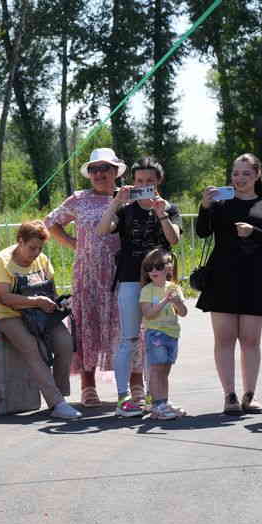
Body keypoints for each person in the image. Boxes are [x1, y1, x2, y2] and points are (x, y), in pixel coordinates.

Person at [196, 153, 262, 414]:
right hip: (221, 276)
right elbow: (202, 232)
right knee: (224, 339)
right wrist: (204, 206)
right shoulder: (221, 203)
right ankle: (230, 396)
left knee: (250, 340)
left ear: (257, 175)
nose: (239, 178)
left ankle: (250, 395)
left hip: (254, 277)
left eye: (246, 173)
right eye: (235, 173)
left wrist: (253, 232)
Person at [98, 157, 181, 417]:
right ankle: (123, 398)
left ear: (159, 182)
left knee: (158, 338)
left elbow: (174, 239)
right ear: (133, 182)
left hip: (159, 282)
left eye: (150, 181)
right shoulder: (126, 208)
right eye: (139, 181)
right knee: (129, 339)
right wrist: (115, 202)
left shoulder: (168, 207)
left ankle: (156, 398)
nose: (144, 185)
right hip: (131, 279)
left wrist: (161, 214)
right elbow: (102, 229)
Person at [46, 148, 127, 407]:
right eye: (94, 169)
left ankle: (130, 386)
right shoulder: (79, 199)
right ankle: (88, 386)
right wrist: (73, 243)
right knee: (87, 328)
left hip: (121, 273)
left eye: (105, 168)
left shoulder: (127, 197)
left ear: (116, 172)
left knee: (123, 327)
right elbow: (50, 222)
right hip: (88, 275)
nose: (100, 174)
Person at [0, 220, 81, 420]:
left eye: (40, 248)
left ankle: (59, 397)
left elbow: (52, 292)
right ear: (20, 241)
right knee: (32, 348)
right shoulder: (3, 260)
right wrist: (36, 301)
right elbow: (4, 298)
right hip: (10, 315)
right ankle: (57, 403)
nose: (36, 253)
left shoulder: (42, 260)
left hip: (41, 313)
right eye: (32, 247)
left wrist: (60, 304)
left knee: (65, 343)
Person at [139, 249, 188, 419]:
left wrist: (177, 302)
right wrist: (165, 301)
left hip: (172, 334)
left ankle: (163, 402)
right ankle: (157, 405)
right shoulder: (147, 290)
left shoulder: (174, 288)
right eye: (149, 267)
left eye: (158, 267)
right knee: (157, 369)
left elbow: (183, 312)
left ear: (168, 268)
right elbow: (148, 314)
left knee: (165, 370)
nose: (153, 271)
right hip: (155, 334)